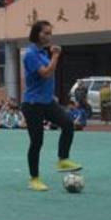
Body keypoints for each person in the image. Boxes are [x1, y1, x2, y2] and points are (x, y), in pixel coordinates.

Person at [21, 20, 81, 191]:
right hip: (32, 104)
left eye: (50, 33)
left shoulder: (42, 53)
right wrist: (55, 56)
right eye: (45, 33)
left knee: (68, 124)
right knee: (37, 142)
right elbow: (46, 74)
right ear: (36, 34)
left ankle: (63, 159)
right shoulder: (31, 54)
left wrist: (50, 94)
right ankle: (34, 179)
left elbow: (47, 78)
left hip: (47, 101)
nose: (48, 36)